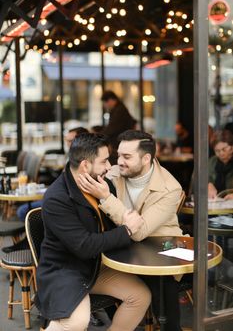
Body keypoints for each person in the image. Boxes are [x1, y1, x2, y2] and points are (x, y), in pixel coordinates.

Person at [35, 132, 151, 331]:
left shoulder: (102, 186)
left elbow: (110, 228)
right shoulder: (56, 198)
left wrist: (109, 200)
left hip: (96, 266)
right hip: (64, 271)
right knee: (77, 321)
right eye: (104, 161)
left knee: (141, 296)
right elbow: (85, 246)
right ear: (85, 166)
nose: (109, 166)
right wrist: (127, 230)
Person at [77, 130, 184, 331]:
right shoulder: (114, 173)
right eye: (118, 155)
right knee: (104, 268)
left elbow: (139, 232)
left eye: (127, 157)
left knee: (162, 282)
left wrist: (106, 198)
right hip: (123, 247)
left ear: (146, 158)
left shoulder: (171, 188)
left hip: (159, 248)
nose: (119, 161)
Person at [101, 90, 136, 164]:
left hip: (119, 144)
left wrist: (99, 135)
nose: (105, 106)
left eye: (105, 103)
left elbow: (112, 128)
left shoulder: (119, 110)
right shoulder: (120, 109)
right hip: (121, 142)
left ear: (110, 100)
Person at [208, 130, 233, 199]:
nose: (221, 153)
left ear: (232, 147)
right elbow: (198, 180)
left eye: (224, 149)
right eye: (217, 151)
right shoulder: (212, 162)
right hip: (216, 204)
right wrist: (208, 184)